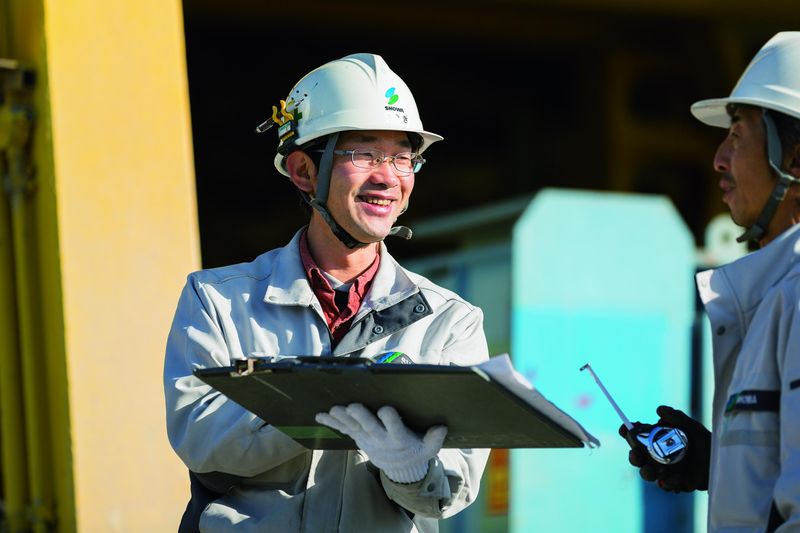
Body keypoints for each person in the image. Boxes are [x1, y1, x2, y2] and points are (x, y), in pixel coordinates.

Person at [163, 53, 490, 533]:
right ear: (303, 172)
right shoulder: (218, 301)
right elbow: (202, 441)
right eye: (364, 154)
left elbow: (451, 491)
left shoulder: (448, 321)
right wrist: (323, 406)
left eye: (403, 157)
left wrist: (411, 469)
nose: (388, 177)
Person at [619, 32, 800, 531]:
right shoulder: (776, 296)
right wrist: (718, 465)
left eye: (737, 136)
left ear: (795, 160)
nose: (719, 158)